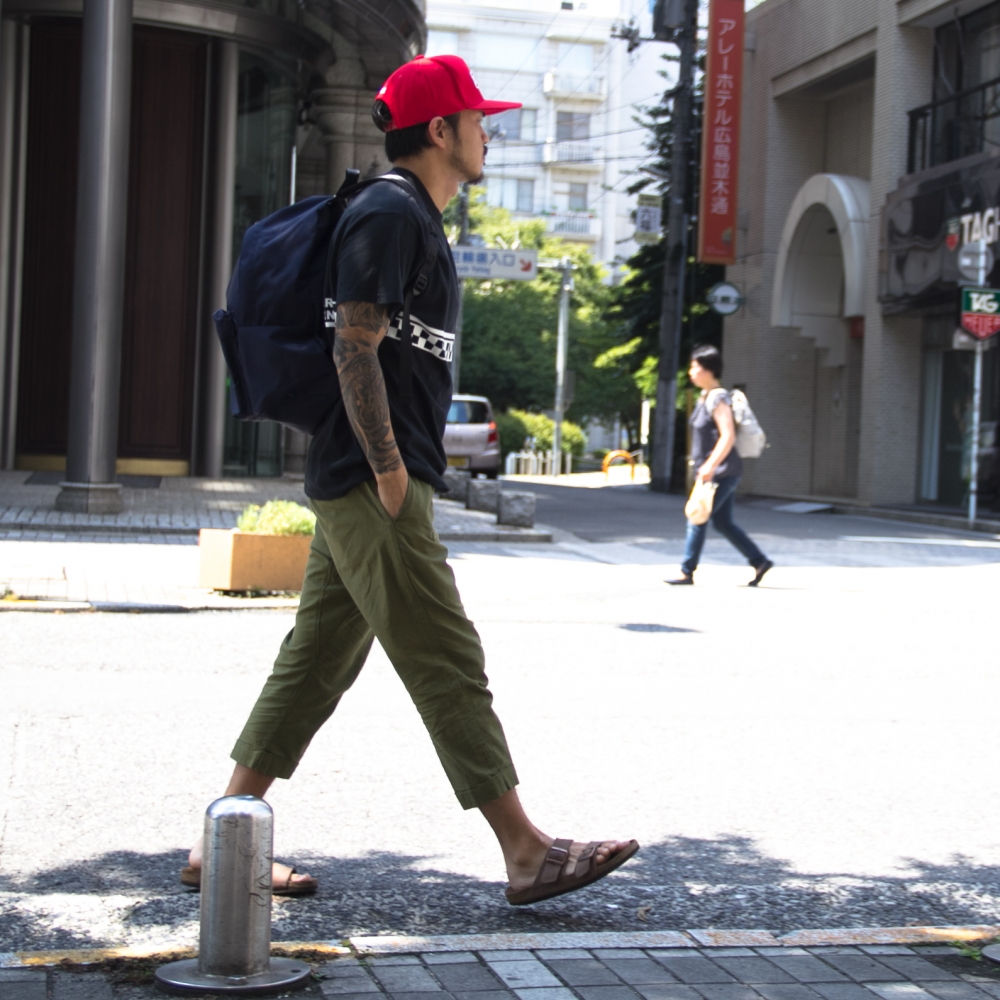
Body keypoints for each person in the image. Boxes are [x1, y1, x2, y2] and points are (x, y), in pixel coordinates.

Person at [182, 54, 638, 906]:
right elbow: (353, 345)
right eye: (477, 120)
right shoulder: (391, 212)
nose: (488, 134)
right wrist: (390, 469)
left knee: (313, 666)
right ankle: (526, 849)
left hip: (362, 476)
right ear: (439, 130)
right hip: (371, 479)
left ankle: (221, 841)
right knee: (446, 656)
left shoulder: (412, 217)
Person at [667, 345, 773, 588]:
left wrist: (710, 466)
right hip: (719, 471)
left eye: (694, 367)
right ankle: (759, 561)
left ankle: (686, 571)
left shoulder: (717, 398)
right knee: (722, 522)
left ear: (708, 369)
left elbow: (728, 436)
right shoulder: (705, 397)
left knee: (697, 516)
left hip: (720, 472)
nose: (690, 372)